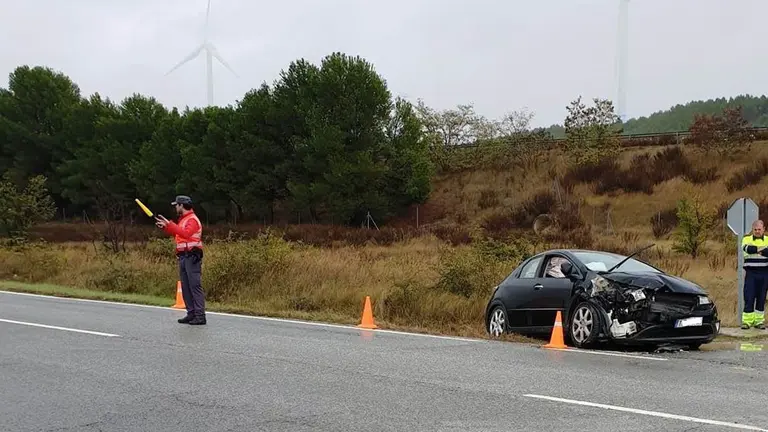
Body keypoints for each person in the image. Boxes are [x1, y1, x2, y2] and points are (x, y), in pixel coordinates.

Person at [155, 195, 206, 325]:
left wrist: (170, 224)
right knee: (185, 286)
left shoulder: (192, 219)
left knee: (194, 285)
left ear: (181, 205)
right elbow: (179, 234)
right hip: (183, 256)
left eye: (176, 205)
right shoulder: (184, 220)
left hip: (192, 256)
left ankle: (200, 315)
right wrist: (166, 227)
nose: (175, 208)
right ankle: (191, 313)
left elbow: (186, 234)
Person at [741, 219, 768, 330]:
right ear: (752, 230)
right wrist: (762, 250)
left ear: (763, 229)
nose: (757, 231)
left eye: (759, 229)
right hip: (751, 273)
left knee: (761, 298)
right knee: (749, 296)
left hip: (764, 273)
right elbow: (747, 249)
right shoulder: (746, 239)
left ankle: (759, 322)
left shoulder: (767, 240)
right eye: (755, 229)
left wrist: (756, 250)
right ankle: (747, 322)